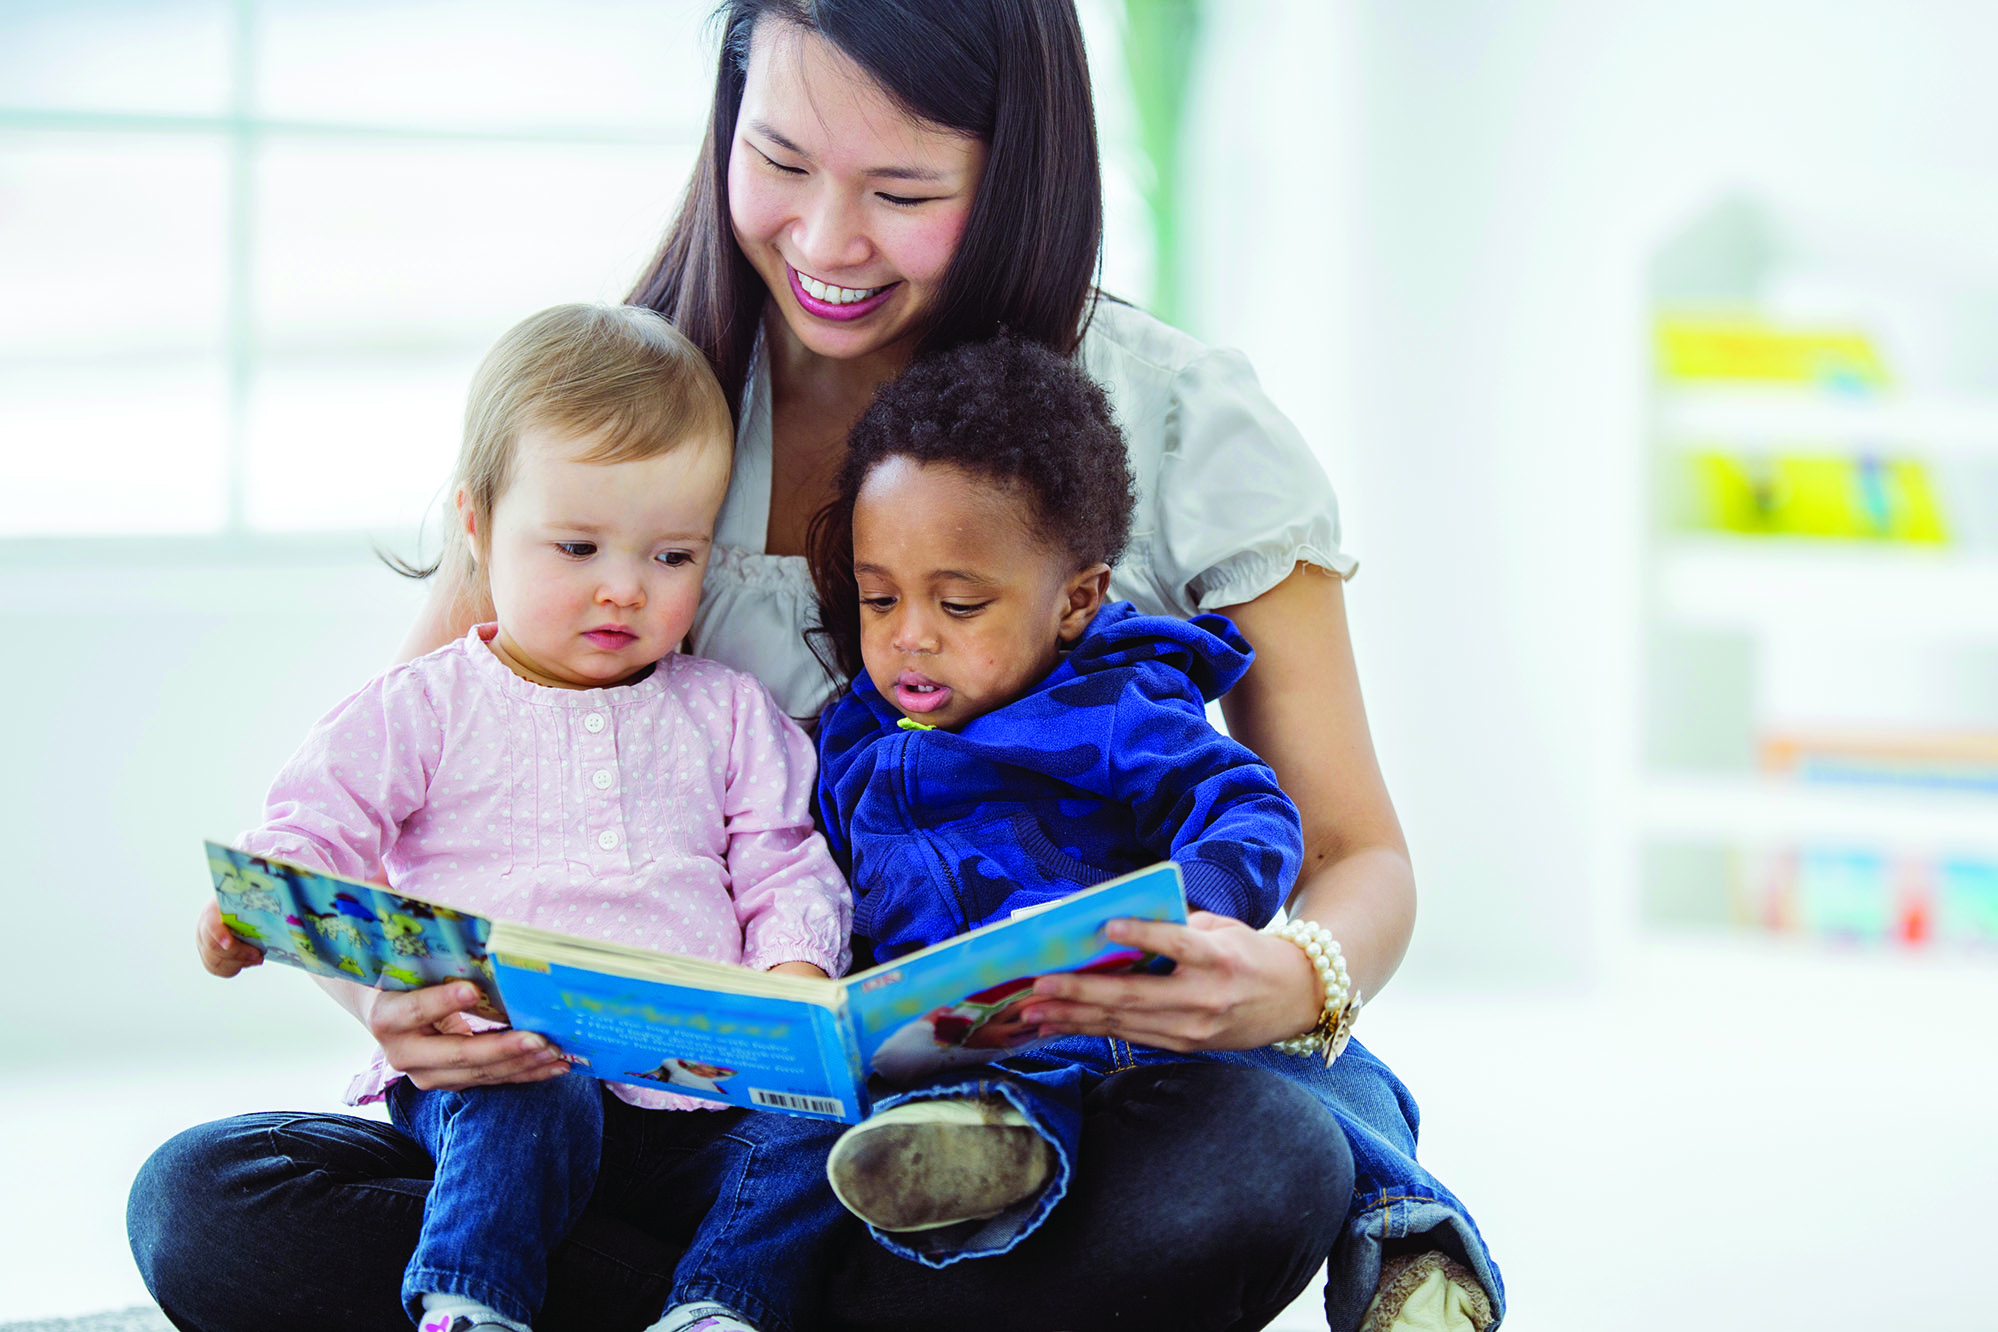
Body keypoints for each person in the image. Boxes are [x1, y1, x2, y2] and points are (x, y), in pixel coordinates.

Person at [130, 3, 1504, 1329]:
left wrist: (1300, 976)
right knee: (206, 1204)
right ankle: (755, 1300)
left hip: (989, 1130)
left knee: (1260, 1157)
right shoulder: (620, 413)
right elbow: (410, 750)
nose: (826, 240)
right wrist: (394, 1002)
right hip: (617, 1128)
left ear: (1017, 171)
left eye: (901, 189)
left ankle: (744, 1294)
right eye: (779, 161)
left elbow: (1353, 850)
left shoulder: (1185, 421)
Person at [187, 302, 857, 1332]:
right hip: (498, 1087)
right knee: (214, 1188)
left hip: (700, 1104)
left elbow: (784, 866)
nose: (624, 591)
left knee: (824, 1137)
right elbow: (303, 846)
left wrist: (794, 989)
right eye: (578, 547)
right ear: (478, 525)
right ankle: (473, 1303)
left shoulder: (725, 711)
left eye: (673, 558)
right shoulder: (421, 709)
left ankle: (719, 1307)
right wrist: (257, 920)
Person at [799, 331, 1348, 1259]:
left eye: (959, 606)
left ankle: (1404, 1229)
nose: (909, 639)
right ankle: (963, 1173)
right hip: (939, 1042)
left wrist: (1192, 911)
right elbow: (818, 877)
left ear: (1076, 600)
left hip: (1113, 1011)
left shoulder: (1115, 708)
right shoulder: (851, 739)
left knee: (1324, 1075)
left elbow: (1249, 812)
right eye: (878, 600)